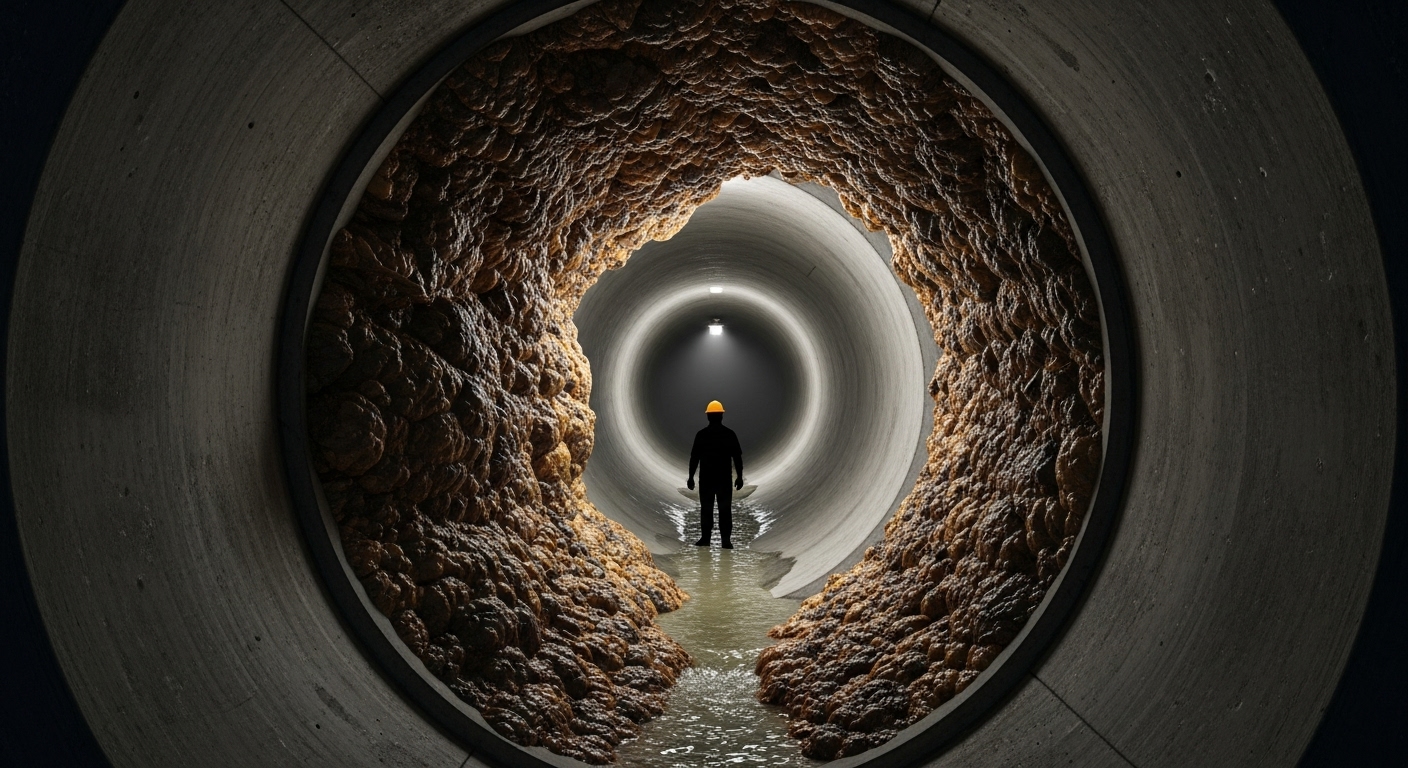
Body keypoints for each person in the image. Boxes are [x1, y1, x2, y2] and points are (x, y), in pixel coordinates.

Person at [687, 400, 744, 549]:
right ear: (721, 416)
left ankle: (706, 539)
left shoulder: (701, 435)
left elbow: (694, 458)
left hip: (706, 479)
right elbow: (737, 457)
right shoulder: (729, 434)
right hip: (723, 479)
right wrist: (739, 476)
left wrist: (691, 477)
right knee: (725, 509)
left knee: (706, 509)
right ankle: (726, 541)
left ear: (708, 417)